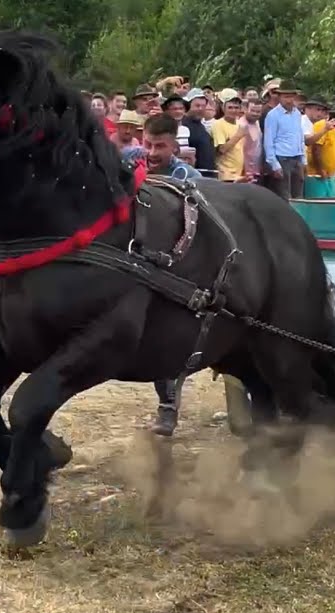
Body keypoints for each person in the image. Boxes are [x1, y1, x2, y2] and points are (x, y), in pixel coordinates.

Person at [121, 114, 196, 436]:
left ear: (174, 144)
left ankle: (168, 408)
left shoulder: (186, 176)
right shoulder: (128, 163)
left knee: (166, 336)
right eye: (148, 144)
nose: (152, 152)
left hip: (172, 265)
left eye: (160, 146)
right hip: (130, 258)